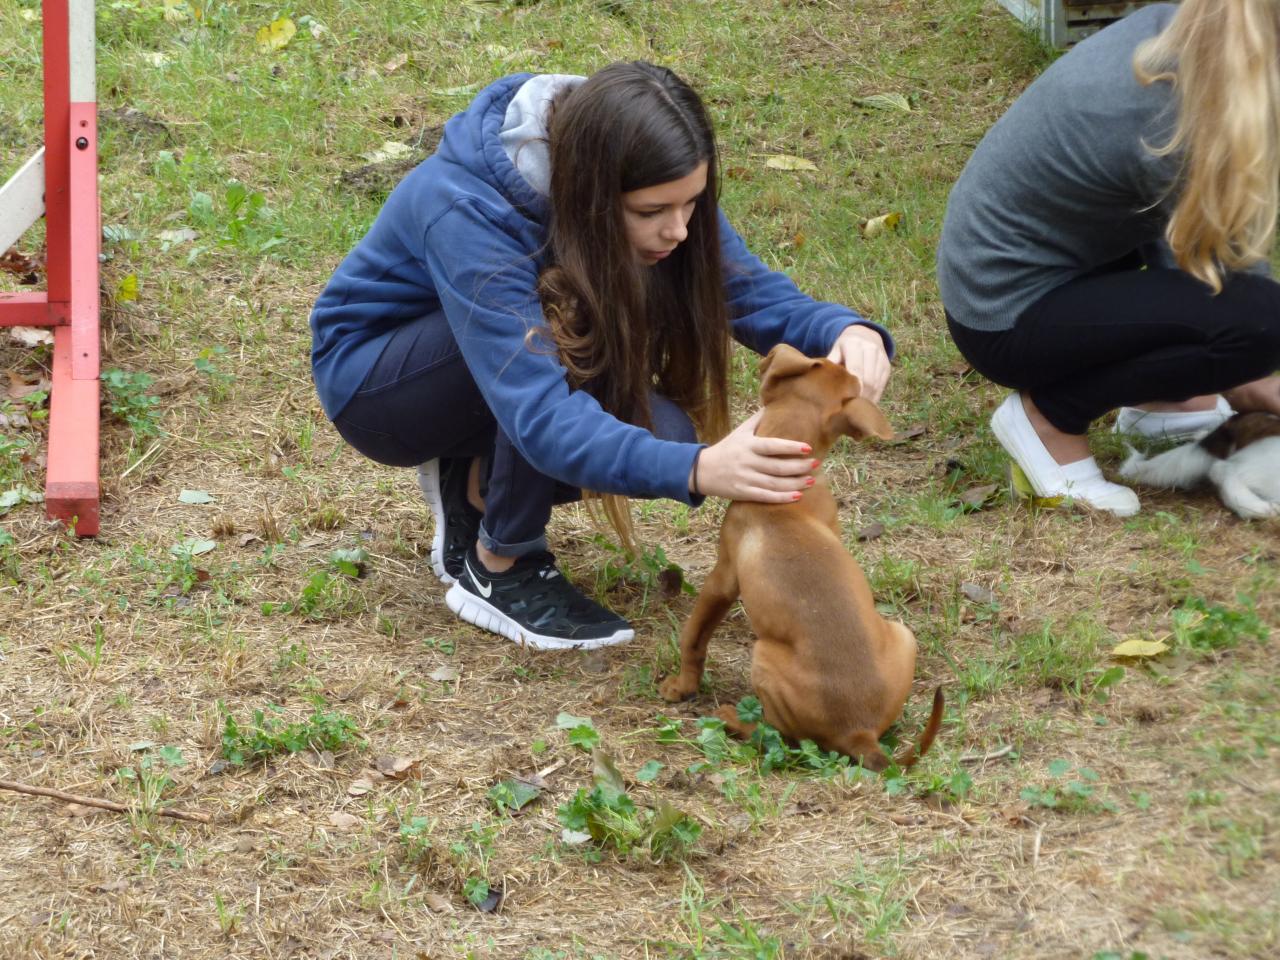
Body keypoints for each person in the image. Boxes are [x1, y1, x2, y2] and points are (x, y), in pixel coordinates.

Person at [310, 62, 894, 650]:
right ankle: (499, 565)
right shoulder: (465, 207)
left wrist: (846, 331)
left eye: (692, 205)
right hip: (379, 385)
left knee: (662, 431)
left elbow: (744, 288)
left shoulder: (644, 164)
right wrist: (698, 469)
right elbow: (540, 415)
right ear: (588, 192)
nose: (680, 232)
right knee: (565, 336)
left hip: (490, 362)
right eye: (652, 214)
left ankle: (476, 481)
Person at [937, 0, 1280, 517]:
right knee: (1262, 323)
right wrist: (1256, 376)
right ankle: (1049, 416)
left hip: (1062, 267)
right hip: (1004, 315)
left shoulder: (1194, 32)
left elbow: (1181, 236)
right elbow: (1230, 280)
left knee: (1247, 322)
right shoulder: (1168, 109)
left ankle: (1163, 400)